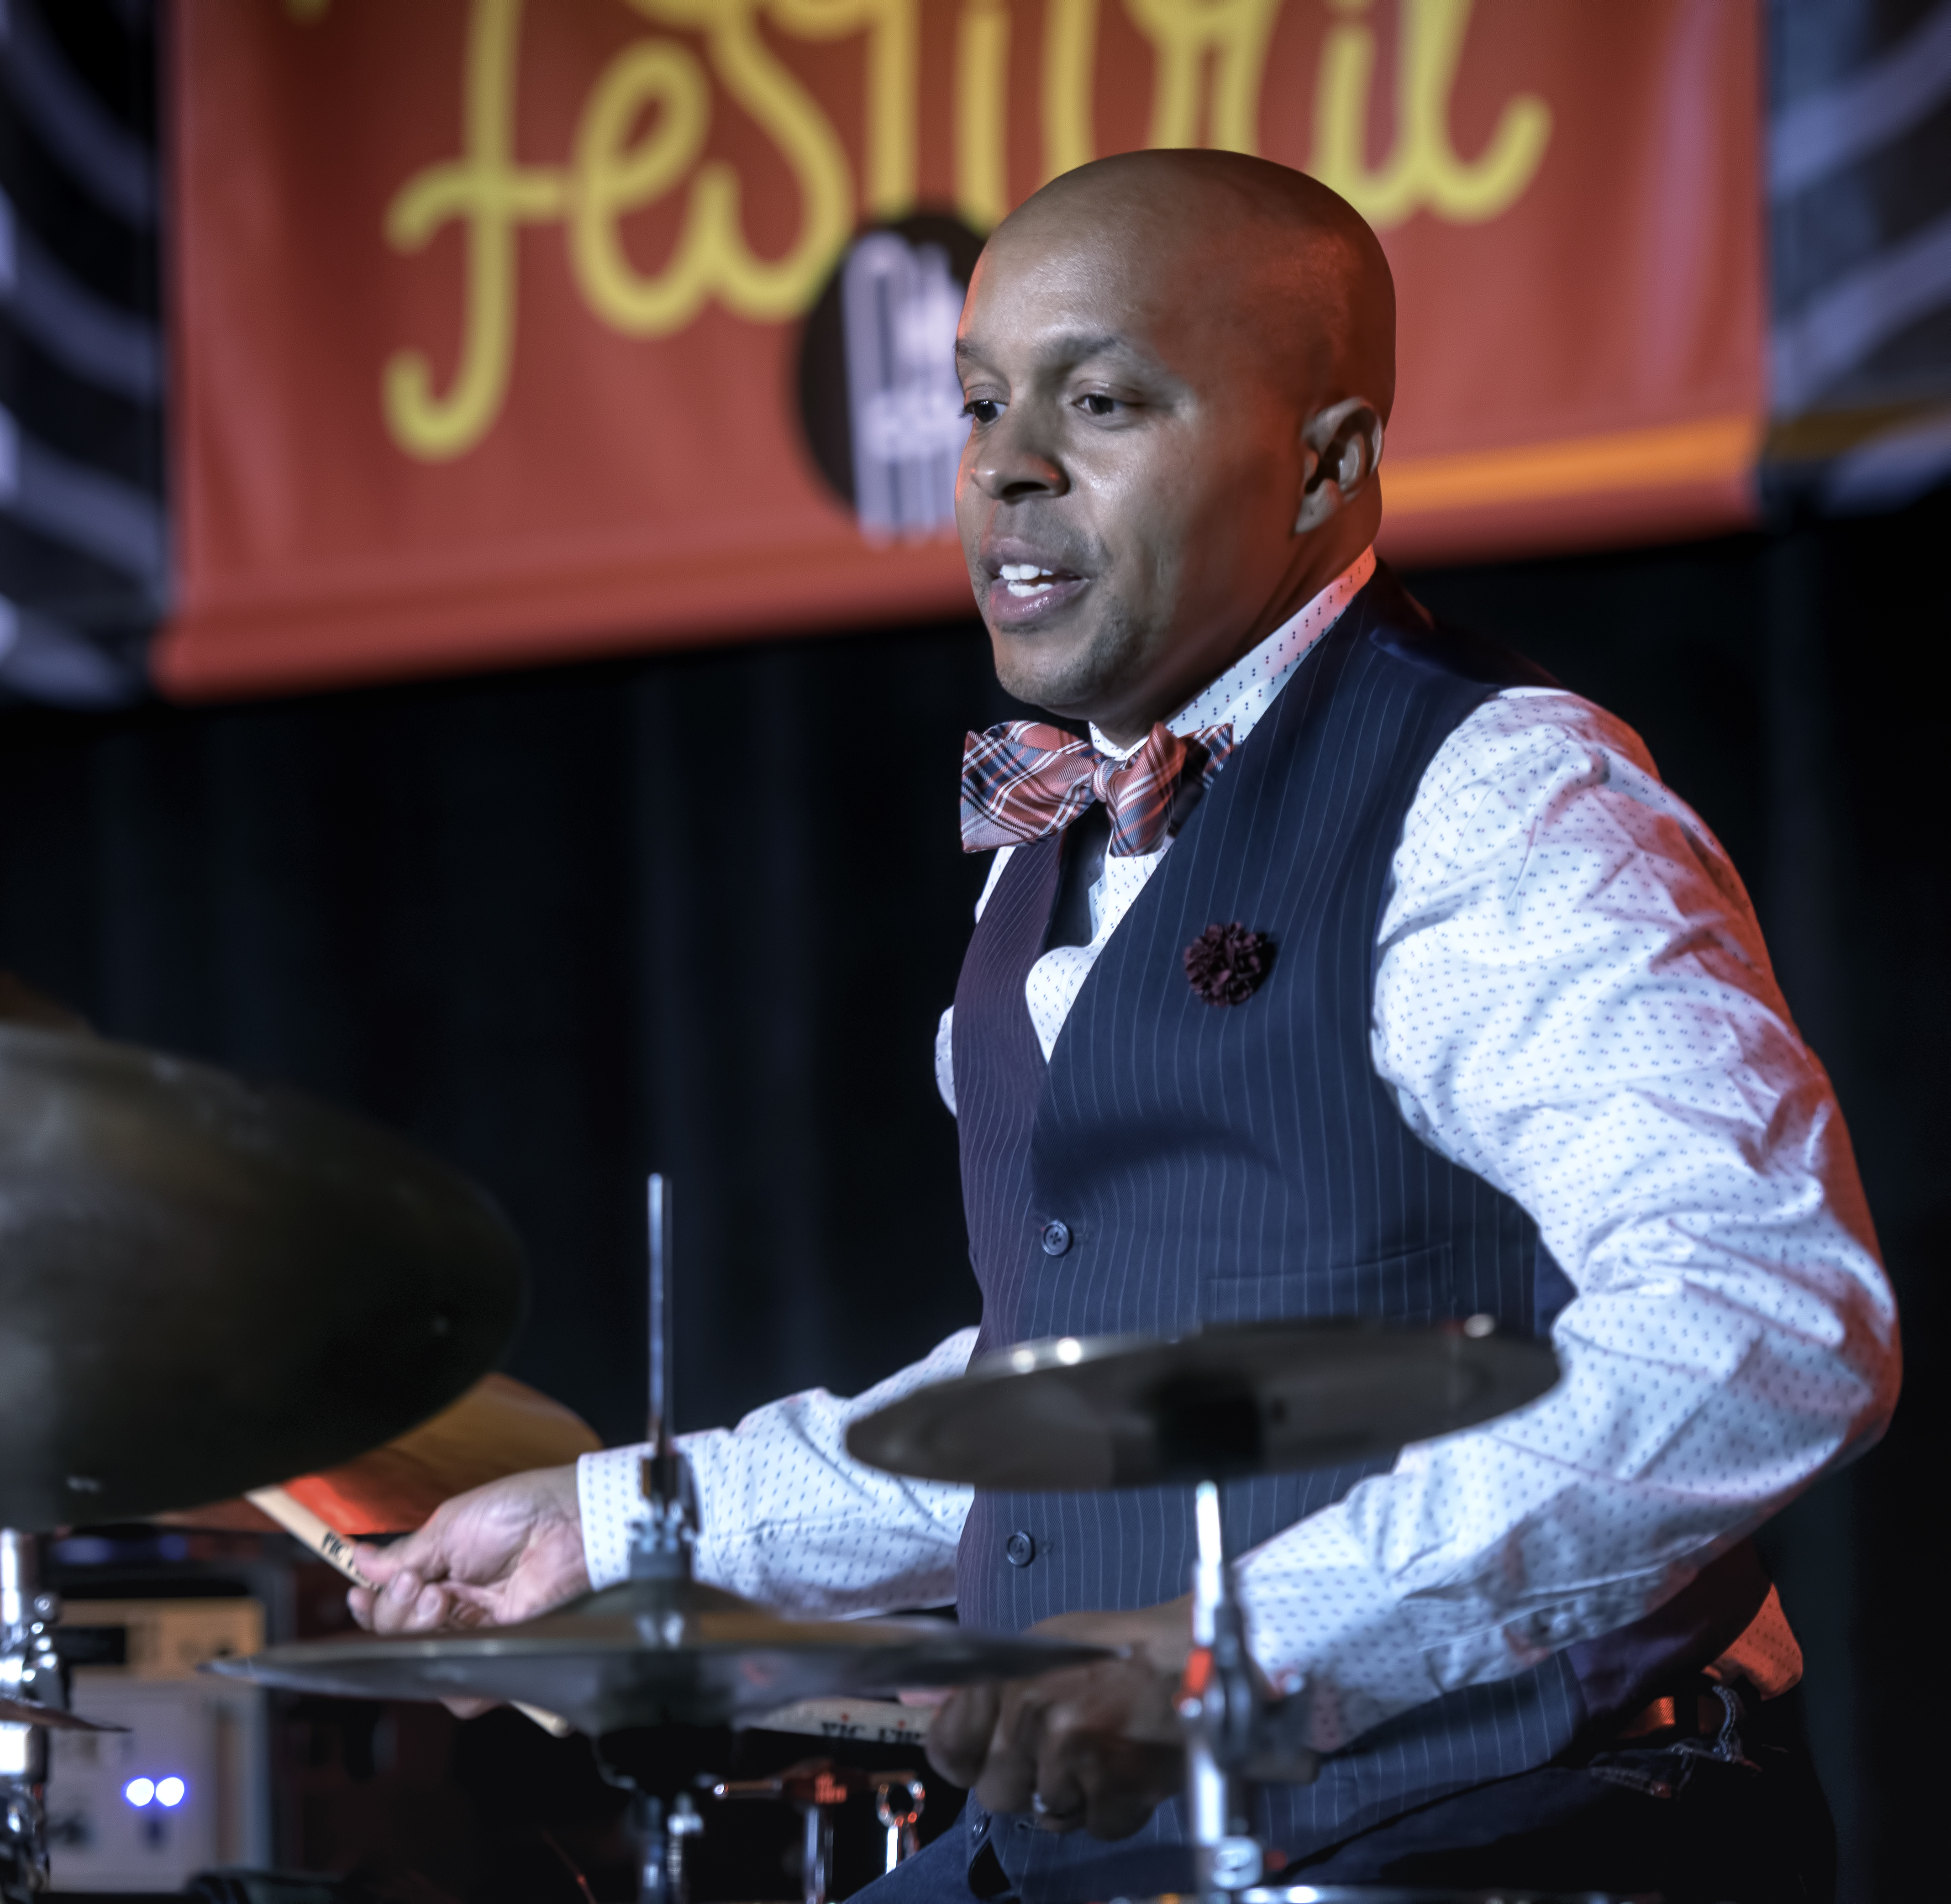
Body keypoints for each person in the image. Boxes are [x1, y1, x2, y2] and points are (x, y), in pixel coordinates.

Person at [349, 150, 1897, 1901]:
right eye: (981, 402)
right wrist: (616, 1522)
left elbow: (1762, 1327)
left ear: (1325, 461)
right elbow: (1070, 1398)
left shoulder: (1495, 799)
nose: (1005, 466)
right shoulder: (1055, 850)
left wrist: (1239, 1647)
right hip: (1116, 1843)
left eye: (1098, 402)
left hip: (1500, 1825)